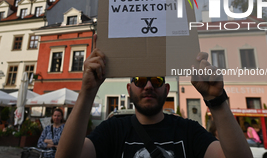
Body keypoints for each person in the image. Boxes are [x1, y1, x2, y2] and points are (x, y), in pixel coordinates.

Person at [56, 34, 252, 158]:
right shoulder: (112, 130)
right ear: (129, 89)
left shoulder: (188, 131)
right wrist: (87, 92)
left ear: (166, 90)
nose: (148, 86)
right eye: (140, 80)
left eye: (156, 80)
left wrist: (216, 101)